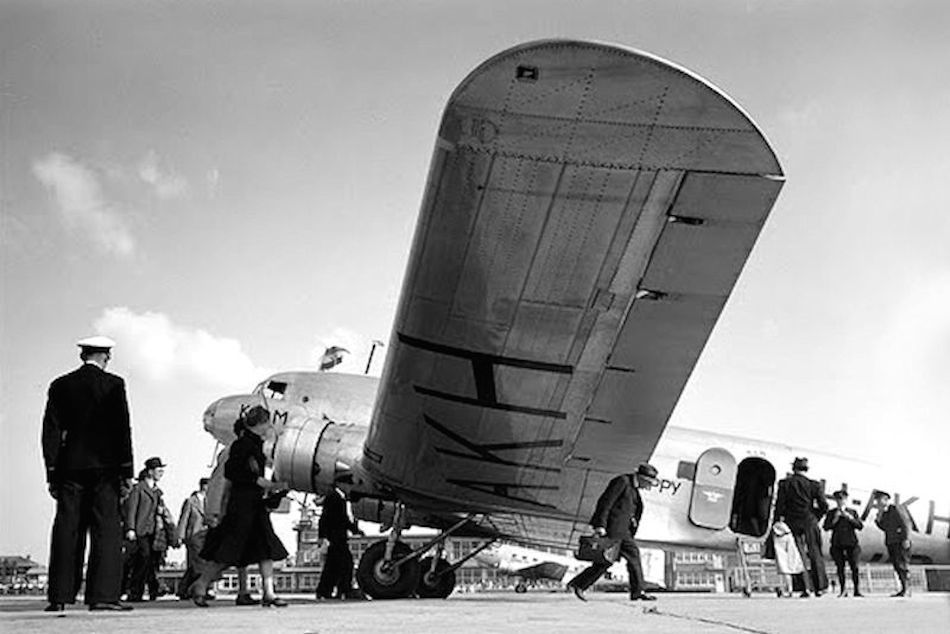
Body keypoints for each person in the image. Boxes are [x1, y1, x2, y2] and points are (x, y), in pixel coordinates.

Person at [41, 335, 134, 612]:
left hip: (70, 467)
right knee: (106, 531)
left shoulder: (60, 385)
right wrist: (126, 470)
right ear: (107, 356)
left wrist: (52, 471)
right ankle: (102, 596)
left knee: (67, 529)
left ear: (83, 355)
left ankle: (59, 596)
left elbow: (51, 432)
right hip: (106, 469)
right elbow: (122, 429)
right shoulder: (114, 385)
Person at [190, 406, 290, 608]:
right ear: (260, 424)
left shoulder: (247, 444)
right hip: (243, 507)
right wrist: (259, 481)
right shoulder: (242, 446)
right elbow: (232, 472)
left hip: (251, 505)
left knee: (264, 548)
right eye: (267, 422)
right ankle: (200, 585)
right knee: (230, 551)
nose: (269, 426)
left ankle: (268, 593)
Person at [567, 463, 659, 602]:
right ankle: (638, 591)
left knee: (606, 561)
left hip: (624, 531)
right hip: (614, 530)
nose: (649, 486)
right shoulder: (622, 481)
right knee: (627, 557)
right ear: (641, 478)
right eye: (648, 483)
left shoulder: (633, 488)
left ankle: (578, 584)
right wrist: (600, 525)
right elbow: (605, 502)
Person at [775, 457, 828, 597]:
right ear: (806, 469)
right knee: (815, 552)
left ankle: (804, 587)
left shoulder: (785, 484)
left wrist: (777, 521)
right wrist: (816, 517)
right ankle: (820, 587)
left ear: (793, 469)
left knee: (797, 555)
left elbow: (780, 505)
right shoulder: (814, 485)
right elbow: (824, 506)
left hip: (792, 522)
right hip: (810, 521)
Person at [122, 458, 169, 601]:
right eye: (158, 470)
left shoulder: (157, 492)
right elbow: (131, 509)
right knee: (142, 559)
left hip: (153, 533)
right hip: (140, 531)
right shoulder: (138, 489)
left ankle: (142, 591)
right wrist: (130, 528)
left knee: (148, 562)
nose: (161, 473)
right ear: (150, 471)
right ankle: (134, 592)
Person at [315, 487, 363, 600]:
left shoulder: (335, 496)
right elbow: (335, 518)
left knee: (334, 566)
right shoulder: (336, 498)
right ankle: (343, 590)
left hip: (335, 537)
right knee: (345, 564)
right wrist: (354, 529)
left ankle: (327, 591)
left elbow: (330, 518)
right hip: (337, 537)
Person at [823, 489, 863, 597]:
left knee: (855, 567)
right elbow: (826, 527)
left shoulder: (852, 511)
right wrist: (835, 519)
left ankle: (857, 589)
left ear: (846, 500)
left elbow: (860, 526)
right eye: (838, 499)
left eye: (842, 499)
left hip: (851, 543)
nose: (840, 502)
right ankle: (843, 589)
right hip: (838, 543)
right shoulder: (832, 513)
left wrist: (850, 518)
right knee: (840, 567)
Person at [176, 478, 210, 600]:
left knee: (200, 565)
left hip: (206, 537)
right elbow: (184, 519)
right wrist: (180, 536)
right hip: (194, 536)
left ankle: (188, 589)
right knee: (197, 565)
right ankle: (188, 589)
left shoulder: (210, 501)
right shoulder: (191, 501)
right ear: (203, 486)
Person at [874, 491, 913, 597]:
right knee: (897, 565)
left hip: (900, 541)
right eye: (877, 500)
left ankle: (906, 588)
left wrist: (906, 538)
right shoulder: (884, 513)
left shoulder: (896, 508)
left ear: (886, 500)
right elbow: (884, 528)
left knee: (902, 564)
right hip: (891, 542)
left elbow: (906, 523)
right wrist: (879, 518)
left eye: (879, 500)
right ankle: (903, 587)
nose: (877, 503)